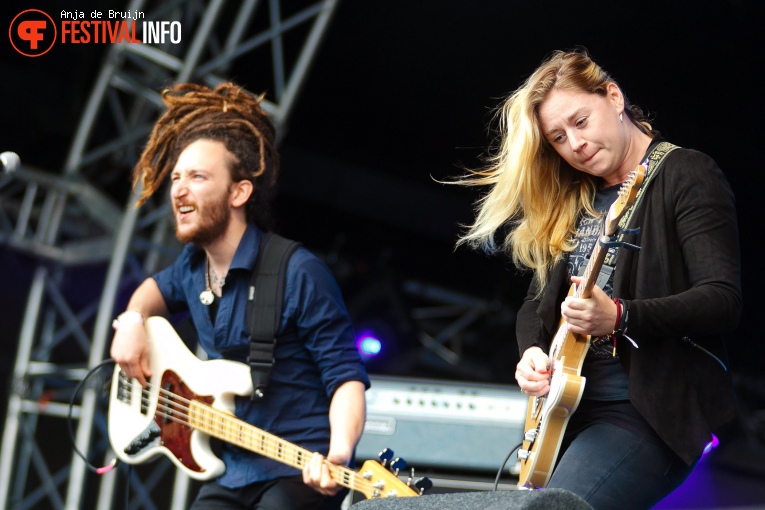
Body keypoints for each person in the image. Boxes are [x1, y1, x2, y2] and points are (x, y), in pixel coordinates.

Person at [457, 50, 741, 509]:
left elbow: (723, 299)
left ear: (613, 96)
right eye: (559, 137)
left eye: (581, 121)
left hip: (643, 413)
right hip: (565, 412)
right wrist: (531, 350)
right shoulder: (578, 197)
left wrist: (621, 316)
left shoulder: (686, 173)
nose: (575, 143)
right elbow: (536, 303)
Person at [110, 82, 370, 509]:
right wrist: (133, 320)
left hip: (297, 468)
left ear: (239, 192)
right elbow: (153, 290)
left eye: (197, 177)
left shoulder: (298, 271)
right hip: (230, 470)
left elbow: (345, 377)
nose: (178, 189)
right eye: (176, 177)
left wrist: (338, 455)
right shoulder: (191, 267)